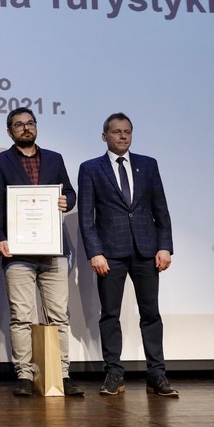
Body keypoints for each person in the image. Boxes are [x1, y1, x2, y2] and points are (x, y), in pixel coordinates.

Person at [0, 107, 84, 397]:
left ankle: (62, 374)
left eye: (30, 123)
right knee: (21, 316)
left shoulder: (54, 158)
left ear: (36, 127)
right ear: (9, 131)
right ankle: (25, 375)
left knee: (58, 316)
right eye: (19, 125)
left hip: (53, 250)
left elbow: (70, 192)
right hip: (18, 253)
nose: (26, 128)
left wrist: (68, 200)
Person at [77, 112, 178, 397]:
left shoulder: (148, 165)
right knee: (110, 314)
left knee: (151, 314)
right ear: (104, 136)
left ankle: (157, 375)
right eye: (116, 131)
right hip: (110, 254)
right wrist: (94, 252)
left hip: (147, 251)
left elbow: (161, 210)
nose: (122, 136)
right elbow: (87, 217)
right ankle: (113, 373)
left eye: (127, 132)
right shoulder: (91, 168)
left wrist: (164, 246)